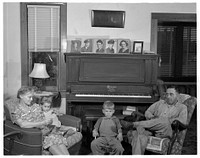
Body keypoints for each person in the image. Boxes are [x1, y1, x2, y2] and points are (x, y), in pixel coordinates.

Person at [122, 86, 187, 155]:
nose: (168, 96)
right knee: (140, 136)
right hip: (151, 129)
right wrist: (152, 118)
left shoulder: (182, 107)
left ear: (177, 95)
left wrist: (166, 120)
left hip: (165, 131)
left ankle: (133, 124)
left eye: (171, 94)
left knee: (164, 121)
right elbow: (147, 112)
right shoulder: (160, 103)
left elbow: (182, 121)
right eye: (166, 94)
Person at [12, 86, 70, 155]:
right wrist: (42, 123)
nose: (31, 99)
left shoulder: (35, 106)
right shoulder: (16, 110)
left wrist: (54, 112)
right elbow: (23, 124)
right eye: (29, 97)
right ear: (21, 96)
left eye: (32, 97)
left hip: (49, 132)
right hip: (38, 136)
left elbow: (45, 108)